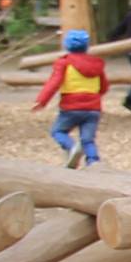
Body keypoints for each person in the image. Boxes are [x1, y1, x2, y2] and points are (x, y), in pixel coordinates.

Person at [32, 26, 107, 168]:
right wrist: (95, 97)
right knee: (88, 139)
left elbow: (54, 82)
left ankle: (72, 147)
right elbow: (103, 86)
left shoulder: (64, 62)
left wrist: (41, 101)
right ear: (86, 46)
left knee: (58, 131)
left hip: (71, 106)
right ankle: (93, 161)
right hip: (93, 108)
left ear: (67, 45)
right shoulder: (96, 64)